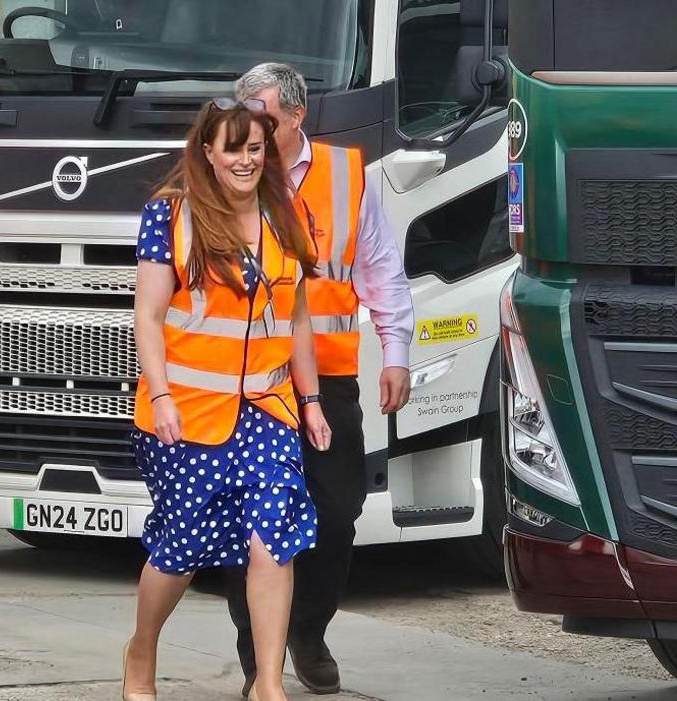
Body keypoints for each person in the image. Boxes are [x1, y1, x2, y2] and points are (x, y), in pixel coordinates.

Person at [123, 98, 332, 701]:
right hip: (186, 413)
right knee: (181, 549)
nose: (245, 159)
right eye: (232, 147)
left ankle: (268, 684)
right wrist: (159, 395)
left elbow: (295, 322)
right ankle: (142, 653)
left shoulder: (281, 215)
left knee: (274, 537)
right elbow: (149, 317)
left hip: (267, 411)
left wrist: (311, 400)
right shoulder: (171, 216)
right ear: (207, 152)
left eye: (254, 148)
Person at [225, 62, 414, 696]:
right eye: (244, 117)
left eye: (265, 121)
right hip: (248, 381)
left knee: (336, 513)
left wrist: (397, 352)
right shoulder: (229, 170)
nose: (251, 133)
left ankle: (308, 630)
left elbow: (382, 272)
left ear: (298, 117)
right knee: (249, 521)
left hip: (328, 378)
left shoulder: (346, 176)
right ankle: (259, 661)